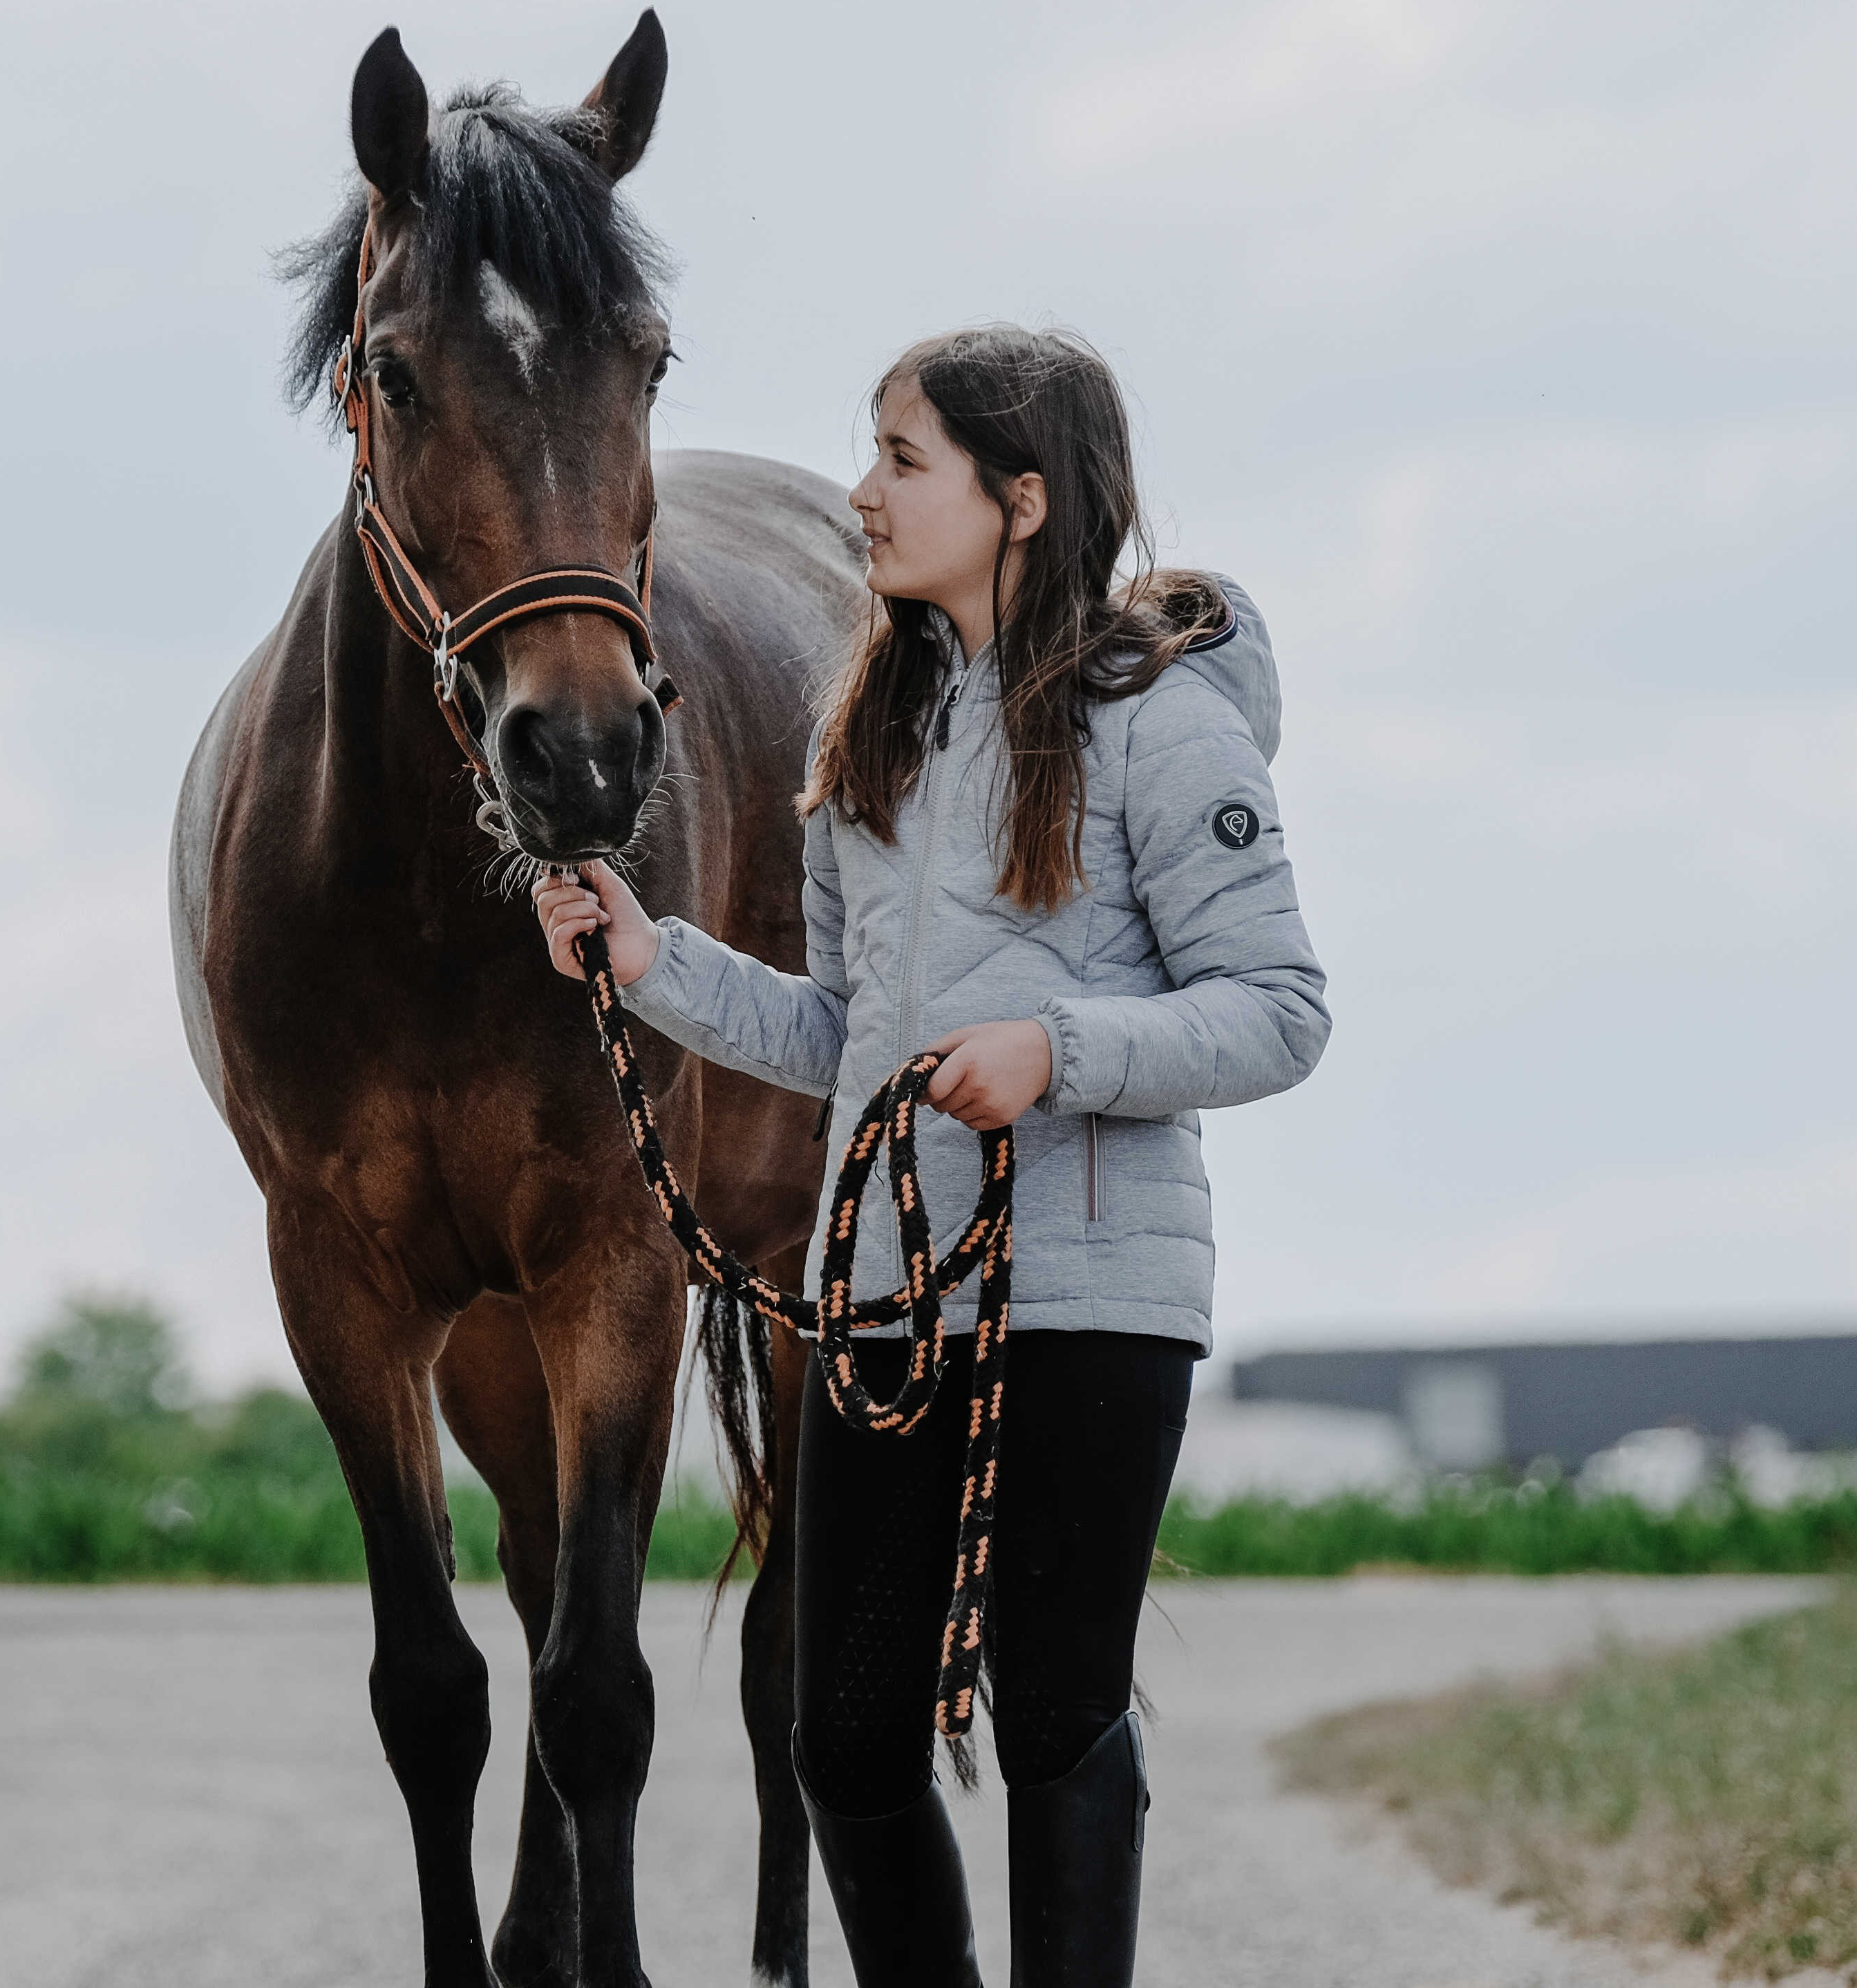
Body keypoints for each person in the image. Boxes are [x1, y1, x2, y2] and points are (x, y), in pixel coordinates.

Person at [531, 323, 1330, 1987]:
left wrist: (1061, 1049)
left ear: (1022, 499)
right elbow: (843, 1039)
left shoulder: (1163, 735)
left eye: (904, 460)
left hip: (1095, 1299)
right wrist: (650, 959)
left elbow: (1278, 1013)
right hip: (889, 1295)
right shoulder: (872, 738)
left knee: (1052, 1719)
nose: (861, 495)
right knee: (849, 1744)